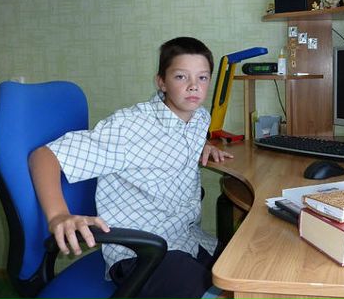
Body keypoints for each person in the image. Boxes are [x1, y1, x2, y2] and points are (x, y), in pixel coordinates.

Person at [29, 36, 233, 299]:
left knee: (246, 272)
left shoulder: (199, 118)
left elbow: (180, 141)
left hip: (187, 237)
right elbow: (43, 156)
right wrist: (58, 215)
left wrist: (203, 146)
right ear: (161, 82)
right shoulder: (129, 128)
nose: (194, 86)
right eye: (181, 77)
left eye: (202, 78)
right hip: (141, 253)